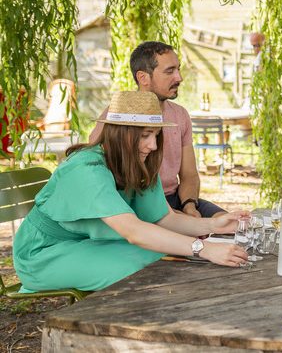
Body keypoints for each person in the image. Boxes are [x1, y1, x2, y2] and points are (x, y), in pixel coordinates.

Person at [13, 91, 248, 293]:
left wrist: (213, 226)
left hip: (86, 243)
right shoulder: (86, 169)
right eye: (145, 135)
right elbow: (135, 232)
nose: (153, 146)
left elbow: (164, 218)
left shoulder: (137, 161)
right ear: (121, 134)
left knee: (165, 258)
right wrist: (204, 249)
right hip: (44, 255)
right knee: (148, 270)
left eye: (155, 135)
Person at [91, 41, 225, 218]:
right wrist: (177, 217)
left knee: (232, 225)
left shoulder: (180, 115)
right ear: (143, 78)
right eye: (169, 71)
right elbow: (95, 172)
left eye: (178, 69)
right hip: (135, 203)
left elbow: (189, 175)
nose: (179, 78)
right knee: (195, 232)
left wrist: (189, 206)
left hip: (175, 198)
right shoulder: (117, 116)